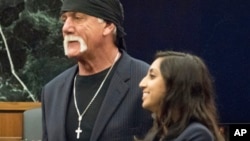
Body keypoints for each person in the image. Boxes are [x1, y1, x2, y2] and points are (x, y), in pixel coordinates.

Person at [41, 0, 152, 140]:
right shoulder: (52, 91)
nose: (66, 28)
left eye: (78, 18)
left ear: (108, 25)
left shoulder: (144, 82)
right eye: (64, 19)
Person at [137, 51, 225, 141]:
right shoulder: (157, 133)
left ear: (175, 86)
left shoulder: (198, 134)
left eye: (152, 76)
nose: (141, 84)